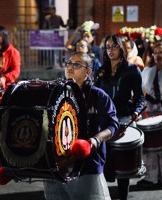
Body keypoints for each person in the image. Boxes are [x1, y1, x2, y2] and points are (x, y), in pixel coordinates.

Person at [43, 52, 120, 200]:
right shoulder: (56, 93)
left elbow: (113, 125)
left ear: (88, 72)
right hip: (58, 164)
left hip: (87, 164)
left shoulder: (98, 95)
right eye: (68, 63)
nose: (70, 68)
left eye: (77, 65)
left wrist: (95, 140)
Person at [95, 34, 145, 200]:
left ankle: (123, 196)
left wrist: (137, 111)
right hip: (104, 119)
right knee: (102, 159)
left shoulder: (132, 70)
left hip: (123, 118)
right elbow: (94, 94)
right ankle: (101, 194)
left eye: (114, 46)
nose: (110, 50)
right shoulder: (101, 70)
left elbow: (139, 97)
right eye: (108, 46)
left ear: (122, 48)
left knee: (123, 163)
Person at [137, 42, 162, 187]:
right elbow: (141, 93)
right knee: (151, 147)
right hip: (150, 113)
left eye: (161, 52)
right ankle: (151, 177)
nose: (159, 55)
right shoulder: (147, 71)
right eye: (156, 52)